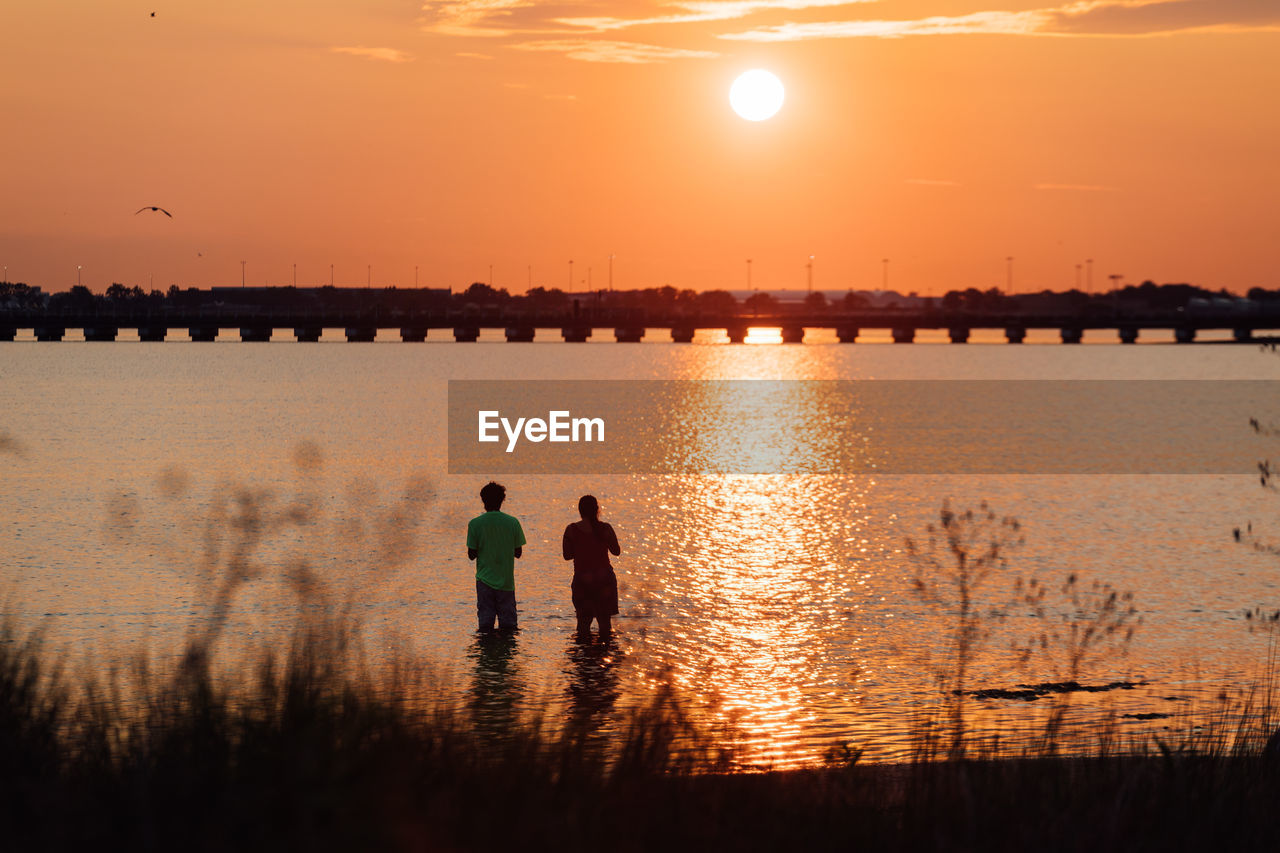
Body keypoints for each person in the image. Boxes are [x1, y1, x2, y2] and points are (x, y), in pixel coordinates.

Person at [467, 481, 526, 632]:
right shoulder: (513, 523)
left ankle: (488, 654)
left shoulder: (475, 524)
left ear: (483, 500)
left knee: (485, 628)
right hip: (506, 582)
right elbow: (518, 553)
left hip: (484, 581)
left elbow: (471, 555)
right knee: (509, 628)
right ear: (502, 500)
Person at [562, 494, 621, 639]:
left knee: (583, 625)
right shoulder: (605, 528)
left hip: (583, 580)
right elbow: (616, 551)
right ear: (597, 510)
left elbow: (567, 555)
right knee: (605, 625)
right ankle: (605, 658)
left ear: (580, 511)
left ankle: (584, 659)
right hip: (604, 580)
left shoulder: (571, 530)